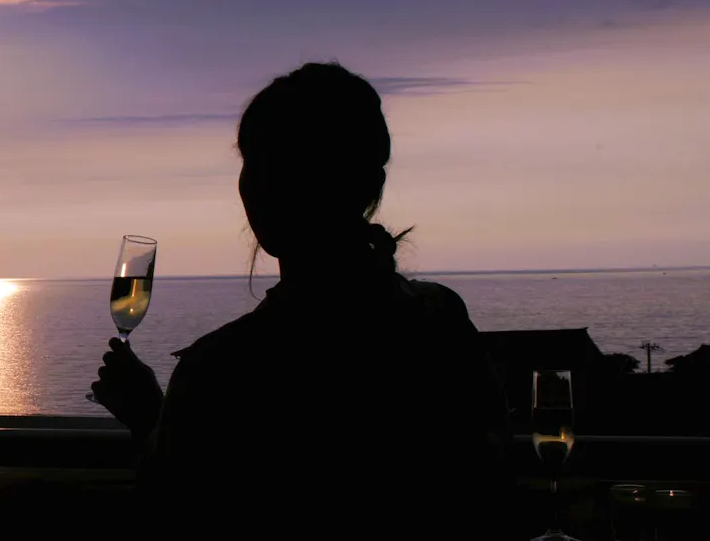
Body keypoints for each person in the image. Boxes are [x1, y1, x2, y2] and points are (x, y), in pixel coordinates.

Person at [89, 62, 513, 538]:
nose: (251, 181)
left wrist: (148, 415)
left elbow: (178, 507)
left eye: (263, 163)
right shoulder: (440, 318)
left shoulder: (224, 369)